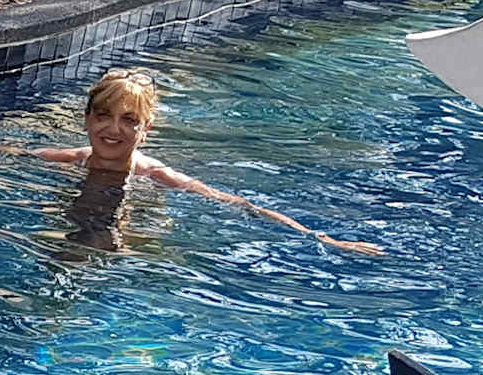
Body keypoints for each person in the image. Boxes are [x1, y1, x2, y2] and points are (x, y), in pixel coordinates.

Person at [32, 69, 386, 256]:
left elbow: (240, 204)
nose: (113, 129)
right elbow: (8, 152)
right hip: (75, 229)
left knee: (96, 245)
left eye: (129, 120)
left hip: (125, 243)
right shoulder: (66, 160)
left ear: (146, 130)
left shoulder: (156, 175)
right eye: (104, 116)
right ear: (87, 120)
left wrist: (318, 237)